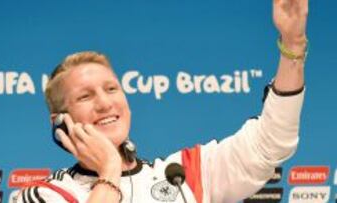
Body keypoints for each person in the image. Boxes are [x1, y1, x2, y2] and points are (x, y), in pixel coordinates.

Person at [16, 0, 308, 202]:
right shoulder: (43, 194)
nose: (105, 103)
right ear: (60, 122)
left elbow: (271, 144)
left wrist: (292, 46)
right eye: (85, 96)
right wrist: (109, 171)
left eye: (112, 89)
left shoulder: (181, 174)